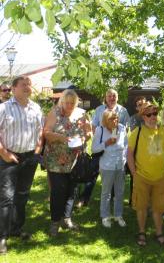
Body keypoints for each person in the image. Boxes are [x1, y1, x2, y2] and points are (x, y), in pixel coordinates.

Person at [0, 76, 43, 255]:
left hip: (29, 158)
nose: (27, 87)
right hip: (8, 157)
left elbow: (40, 130)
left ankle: (17, 229)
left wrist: (37, 151)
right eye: (23, 85)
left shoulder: (36, 108)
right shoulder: (3, 108)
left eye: (29, 84)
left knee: (22, 195)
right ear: (14, 88)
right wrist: (5, 153)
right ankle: (2, 237)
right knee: (6, 197)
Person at [127, 101, 164, 247]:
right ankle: (142, 232)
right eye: (149, 114)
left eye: (155, 113)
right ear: (143, 116)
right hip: (142, 176)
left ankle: (159, 232)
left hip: (161, 177)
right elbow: (129, 154)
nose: (152, 116)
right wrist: (134, 173)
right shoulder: (137, 132)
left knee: (159, 207)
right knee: (141, 207)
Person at [43, 89, 91, 237]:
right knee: (58, 192)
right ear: (62, 101)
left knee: (72, 191)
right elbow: (46, 133)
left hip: (74, 160)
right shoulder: (54, 113)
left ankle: (67, 219)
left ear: (76, 102)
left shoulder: (82, 114)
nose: (69, 105)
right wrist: (62, 138)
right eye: (66, 102)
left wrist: (83, 140)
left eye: (72, 103)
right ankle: (55, 222)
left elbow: (89, 133)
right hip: (56, 160)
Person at [77, 88, 130, 207]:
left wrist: (114, 139)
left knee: (113, 173)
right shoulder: (99, 109)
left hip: (115, 149)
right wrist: (102, 137)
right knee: (93, 173)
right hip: (101, 146)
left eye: (114, 96)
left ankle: (111, 200)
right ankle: (84, 198)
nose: (112, 98)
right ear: (105, 98)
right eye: (109, 96)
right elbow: (94, 126)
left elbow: (124, 128)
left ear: (117, 98)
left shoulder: (123, 111)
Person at [92, 110, 128, 228]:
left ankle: (118, 215)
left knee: (120, 192)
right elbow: (94, 149)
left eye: (116, 118)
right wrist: (106, 143)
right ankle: (105, 216)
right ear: (105, 120)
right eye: (112, 119)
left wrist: (125, 159)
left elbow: (126, 145)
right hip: (107, 166)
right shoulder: (100, 130)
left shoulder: (122, 128)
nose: (115, 121)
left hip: (120, 165)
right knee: (106, 192)